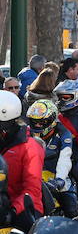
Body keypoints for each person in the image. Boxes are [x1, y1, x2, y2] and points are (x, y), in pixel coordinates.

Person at [26, 100, 78, 217]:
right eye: (35, 122)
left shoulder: (64, 133)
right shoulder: (25, 133)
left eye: (42, 122)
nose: (38, 125)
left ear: (52, 120)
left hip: (56, 176)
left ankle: (75, 228)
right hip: (32, 176)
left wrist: (60, 179)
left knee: (70, 204)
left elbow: (65, 156)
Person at [0, 91, 45, 225]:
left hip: (22, 209)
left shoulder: (30, 147)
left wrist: (13, 211)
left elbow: (32, 190)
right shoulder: (3, 141)